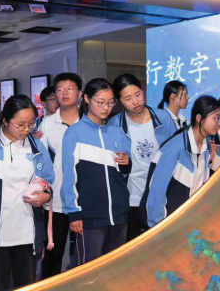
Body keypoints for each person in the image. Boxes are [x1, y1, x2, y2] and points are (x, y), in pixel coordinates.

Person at [0, 95, 54, 291]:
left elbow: (48, 180)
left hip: (27, 231)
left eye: (31, 124)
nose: (26, 129)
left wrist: (46, 196)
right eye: (20, 125)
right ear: (5, 120)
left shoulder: (37, 147)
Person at [62, 78, 131, 265]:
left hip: (118, 215)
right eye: (100, 102)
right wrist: (73, 212)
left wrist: (126, 163)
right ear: (86, 98)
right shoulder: (74, 133)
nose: (106, 108)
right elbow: (69, 176)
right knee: (89, 269)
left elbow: (124, 172)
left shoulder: (117, 132)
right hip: (89, 216)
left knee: (115, 268)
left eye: (110, 103)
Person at [109, 74, 177, 242]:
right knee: (130, 247)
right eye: (128, 98)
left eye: (138, 94)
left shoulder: (163, 118)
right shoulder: (114, 125)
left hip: (160, 196)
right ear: (119, 101)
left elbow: (176, 152)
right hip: (131, 197)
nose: (136, 101)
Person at [141, 96, 220, 228]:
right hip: (168, 226)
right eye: (216, 118)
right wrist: (158, 227)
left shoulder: (206, 148)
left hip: (190, 223)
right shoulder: (175, 148)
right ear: (199, 118)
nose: (219, 123)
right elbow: (156, 192)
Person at [38, 73, 82, 279]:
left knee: (84, 254)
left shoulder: (89, 122)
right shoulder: (46, 124)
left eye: (70, 89)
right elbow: (39, 162)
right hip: (55, 200)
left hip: (83, 199)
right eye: (60, 90)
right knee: (53, 254)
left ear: (80, 94)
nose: (65, 93)